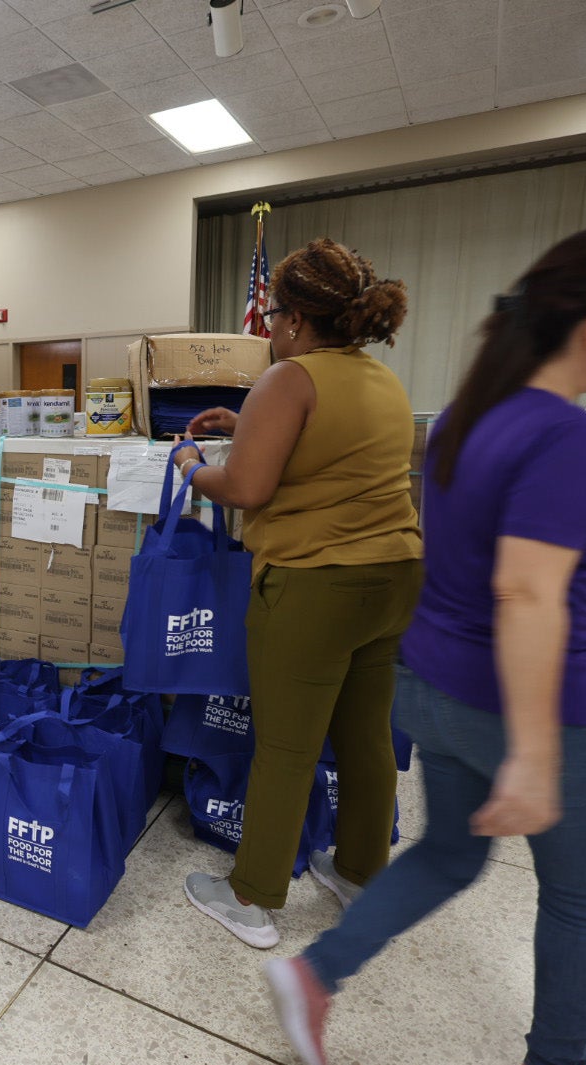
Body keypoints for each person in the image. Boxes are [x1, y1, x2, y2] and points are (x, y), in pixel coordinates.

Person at [261, 224, 586, 1065]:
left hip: (433, 684)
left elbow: (523, 524)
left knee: (449, 853)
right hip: (537, 708)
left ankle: (314, 975)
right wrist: (535, 757)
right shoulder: (563, 436)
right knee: (581, 901)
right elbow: (529, 589)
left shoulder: (473, 412)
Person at [171, 238, 422, 948]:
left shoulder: (290, 380)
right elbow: (324, 452)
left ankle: (251, 896)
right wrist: (245, 421)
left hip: (316, 585)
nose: (268, 326)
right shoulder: (380, 380)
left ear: (295, 318)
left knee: (285, 744)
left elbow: (246, 488)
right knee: (366, 736)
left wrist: (192, 463)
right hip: (394, 577)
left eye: (274, 312)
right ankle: (361, 874)